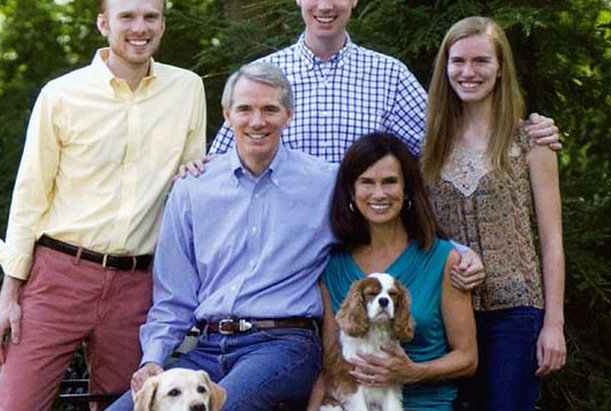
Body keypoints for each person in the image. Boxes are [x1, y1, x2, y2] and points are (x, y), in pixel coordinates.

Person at [0, 0, 206, 409]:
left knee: (122, 406)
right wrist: (10, 297)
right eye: (127, 17)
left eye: (150, 17)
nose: (139, 28)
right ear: (104, 24)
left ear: (162, 24)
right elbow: (29, 196)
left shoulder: (187, 88)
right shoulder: (61, 94)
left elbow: (188, 188)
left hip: (137, 284)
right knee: (15, 404)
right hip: (58, 278)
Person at [107, 62, 339, 411]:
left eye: (270, 109)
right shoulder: (193, 188)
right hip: (207, 348)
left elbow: (392, 226)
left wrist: (451, 254)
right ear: (227, 115)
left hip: (284, 344)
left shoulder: (327, 183)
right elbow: (173, 296)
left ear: (289, 115)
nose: (257, 121)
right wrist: (152, 359)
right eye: (245, 109)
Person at [207, 0, 561, 164]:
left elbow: (445, 140)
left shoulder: (389, 75)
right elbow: (223, 164)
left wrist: (521, 129)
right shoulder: (261, 75)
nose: (325, 6)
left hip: (367, 248)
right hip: (286, 249)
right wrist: (194, 167)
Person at [421, 16, 566, 411]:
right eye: (458, 61)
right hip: (446, 313)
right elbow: (420, 231)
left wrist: (554, 324)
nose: (468, 72)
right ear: (445, 67)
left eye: (481, 61)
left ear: (500, 68)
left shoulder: (532, 142)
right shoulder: (428, 148)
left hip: (516, 312)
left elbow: (552, 241)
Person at [308, 133, 477, 410]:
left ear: (407, 189)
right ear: (351, 191)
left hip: (423, 403)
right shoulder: (333, 265)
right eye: (366, 182)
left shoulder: (443, 259)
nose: (379, 194)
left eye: (390, 182)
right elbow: (330, 360)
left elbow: (467, 357)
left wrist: (412, 372)